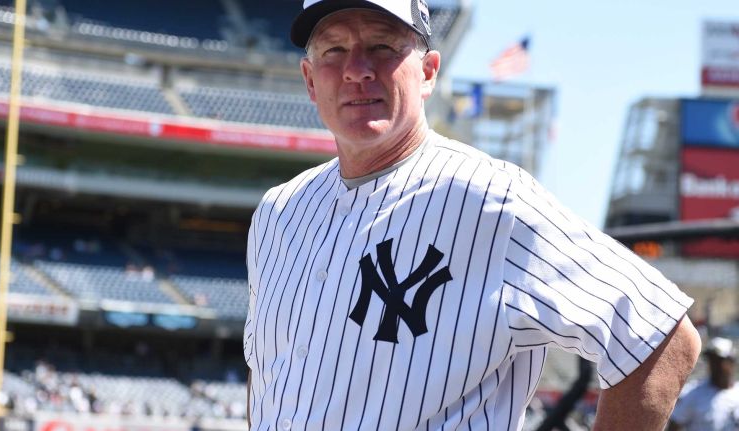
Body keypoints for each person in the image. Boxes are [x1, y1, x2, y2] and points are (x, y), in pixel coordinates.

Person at [243, 0, 702, 429]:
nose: (357, 70)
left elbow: (661, 336)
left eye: (382, 46)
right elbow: (268, 381)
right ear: (309, 79)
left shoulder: (493, 198)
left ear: (427, 72)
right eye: (334, 50)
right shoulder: (279, 212)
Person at [669, 337, 739, 430]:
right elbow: (675, 425)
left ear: (731, 363)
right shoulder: (693, 394)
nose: (715, 366)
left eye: (720, 361)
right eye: (712, 361)